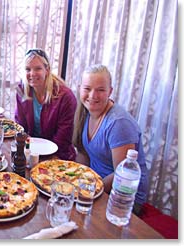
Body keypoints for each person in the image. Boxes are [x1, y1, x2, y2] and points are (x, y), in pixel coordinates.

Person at [72, 64, 148, 215]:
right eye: (87, 89)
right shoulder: (85, 112)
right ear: (80, 88)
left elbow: (122, 173)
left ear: (110, 91)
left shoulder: (118, 123)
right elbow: (83, 155)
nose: (93, 95)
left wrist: (88, 191)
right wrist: (75, 180)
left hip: (122, 197)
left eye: (100, 90)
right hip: (97, 184)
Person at [15, 48, 77, 160]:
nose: (32, 74)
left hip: (57, 155)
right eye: (28, 69)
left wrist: (43, 158)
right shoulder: (22, 89)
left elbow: (63, 138)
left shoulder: (65, 96)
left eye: (38, 68)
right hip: (30, 151)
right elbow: (20, 126)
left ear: (47, 70)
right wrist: (27, 150)